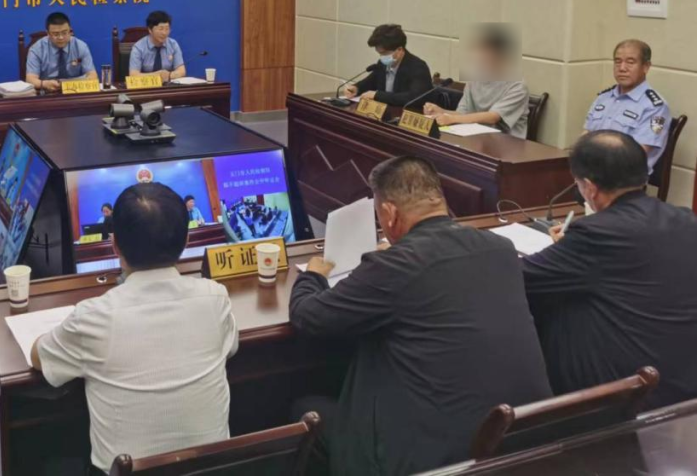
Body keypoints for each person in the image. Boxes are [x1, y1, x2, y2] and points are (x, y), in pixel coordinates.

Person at [289, 156, 550, 476]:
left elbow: (309, 317)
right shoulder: (501, 249)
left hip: (434, 462)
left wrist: (312, 276)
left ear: (389, 213)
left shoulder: (396, 266)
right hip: (518, 443)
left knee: (305, 411)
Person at [32, 183, 238, 473]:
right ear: (186, 240)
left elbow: (40, 357)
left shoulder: (93, 316)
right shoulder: (215, 299)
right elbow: (230, 347)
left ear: (114, 244)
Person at [522, 131, 697, 410]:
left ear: (589, 188)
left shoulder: (597, 233)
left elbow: (520, 278)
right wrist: (569, 253)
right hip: (684, 379)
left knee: (546, 308)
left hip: (635, 396)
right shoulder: (685, 219)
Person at [424, 24, 529, 138]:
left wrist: (452, 118)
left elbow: (493, 117)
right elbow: (462, 113)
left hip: (507, 143)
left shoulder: (517, 85)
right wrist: (441, 112)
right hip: (475, 138)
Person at [583, 40, 670, 174]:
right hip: (591, 173)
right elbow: (585, 137)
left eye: (630, 62)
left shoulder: (656, 107)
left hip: (624, 178)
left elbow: (638, 153)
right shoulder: (603, 98)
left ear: (645, 67)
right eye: (618, 62)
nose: (622, 68)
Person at [340, 24, 432, 107]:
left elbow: (415, 98)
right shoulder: (383, 64)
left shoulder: (418, 67)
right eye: (379, 53)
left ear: (399, 50)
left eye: (384, 53)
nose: (382, 57)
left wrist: (377, 95)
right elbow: (370, 82)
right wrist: (356, 88)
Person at [25, 12, 97, 92]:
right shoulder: (36, 49)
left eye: (64, 33)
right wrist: (45, 84)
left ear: (70, 31)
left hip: (75, 92)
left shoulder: (81, 46)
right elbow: (30, 80)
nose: (61, 37)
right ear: (48, 34)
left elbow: (93, 76)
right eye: (56, 34)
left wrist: (70, 84)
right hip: (47, 93)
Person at [129, 10, 186, 82]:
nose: (164, 33)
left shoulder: (173, 45)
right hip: (146, 86)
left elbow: (181, 71)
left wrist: (169, 75)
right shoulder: (138, 48)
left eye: (167, 29)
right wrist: (157, 75)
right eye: (160, 29)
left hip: (168, 86)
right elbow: (133, 75)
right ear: (150, 30)